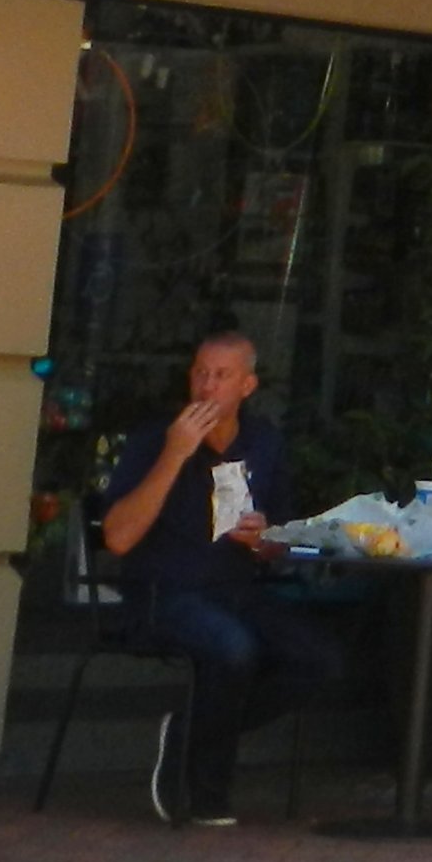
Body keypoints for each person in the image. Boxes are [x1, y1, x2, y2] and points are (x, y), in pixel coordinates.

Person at [94, 323, 344, 825]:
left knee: (321, 661)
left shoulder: (263, 441)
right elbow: (117, 538)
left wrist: (263, 537)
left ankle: (188, 732)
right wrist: (175, 453)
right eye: (200, 374)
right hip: (163, 593)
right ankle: (206, 795)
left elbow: (280, 541)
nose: (207, 387)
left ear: (247, 386)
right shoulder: (156, 439)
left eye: (221, 376)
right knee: (233, 649)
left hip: (236, 589)